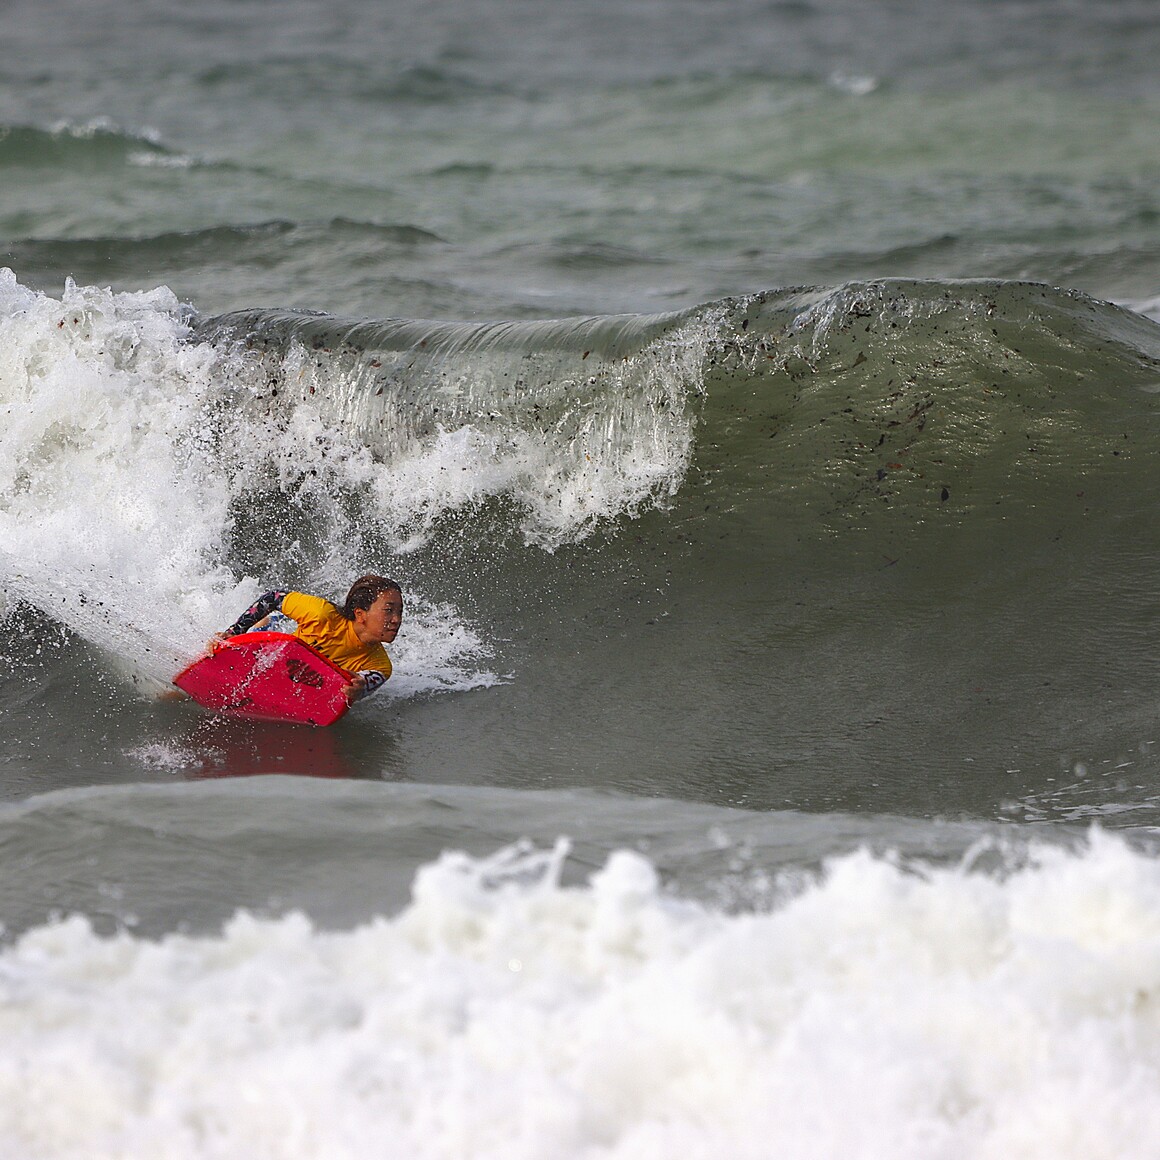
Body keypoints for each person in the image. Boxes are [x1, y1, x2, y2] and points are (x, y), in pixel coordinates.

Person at [211, 574, 403, 702]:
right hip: (276, 655)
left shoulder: (381, 666)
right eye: (388, 611)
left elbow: (364, 685)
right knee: (261, 633)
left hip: (299, 680)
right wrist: (235, 632)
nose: (396, 620)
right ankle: (267, 623)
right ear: (360, 614)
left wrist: (359, 688)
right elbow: (273, 597)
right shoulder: (321, 614)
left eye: (399, 612)